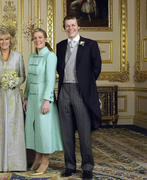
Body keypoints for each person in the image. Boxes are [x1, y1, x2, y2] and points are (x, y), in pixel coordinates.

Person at [56, 15, 101, 180]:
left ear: (78, 26)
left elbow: (97, 67)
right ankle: (69, 166)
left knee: (84, 132)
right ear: (65, 28)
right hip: (64, 91)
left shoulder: (90, 44)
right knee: (66, 132)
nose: (70, 28)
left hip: (81, 91)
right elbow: (60, 69)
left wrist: (85, 83)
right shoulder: (60, 46)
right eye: (67, 26)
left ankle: (87, 167)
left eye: (73, 25)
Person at [0, 24, 27, 172]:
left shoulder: (18, 56)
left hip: (14, 98)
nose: (4, 42)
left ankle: (16, 164)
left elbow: (23, 76)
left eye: (6, 39)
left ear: (11, 40)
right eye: (1, 40)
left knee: (14, 129)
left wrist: (15, 81)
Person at [22, 28, 63, 175]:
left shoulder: (50, 56)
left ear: (45, 39)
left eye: (40, 37)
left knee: (44, 130)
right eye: (35, 38)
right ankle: (37, 156)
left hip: (43, 98)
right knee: (33, 129)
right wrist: (25, 97)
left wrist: (47, 100)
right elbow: (29, 79)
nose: (37, 40)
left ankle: (45, 160)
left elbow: (50, 80)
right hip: (32, 98)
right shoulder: (32, 56)